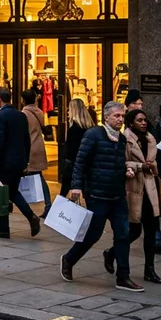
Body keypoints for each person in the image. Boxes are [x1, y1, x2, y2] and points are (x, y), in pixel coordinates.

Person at [61, 101, 143, 292]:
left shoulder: (121, 140)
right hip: (97, 195)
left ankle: (123, 276)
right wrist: (76, 187)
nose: (121, 119)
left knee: (123, 235)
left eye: (122, 116)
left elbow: (116, 163)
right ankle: (69, 259)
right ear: (106, 117)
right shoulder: (93, 135)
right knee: (92, 235)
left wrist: (126, 171)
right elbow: (80, 162)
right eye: (117, 116)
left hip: (117, 196)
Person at [102, 109, 161, 283]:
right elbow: (121, 162)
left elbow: (153, 161)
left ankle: (149, 270)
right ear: (131, 123)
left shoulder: (150, 138)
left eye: (144, 120)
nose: (143, 123)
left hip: (150, 188)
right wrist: (139, 166)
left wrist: (152, 166)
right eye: (139, 120)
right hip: (133, 188)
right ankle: (111, 253)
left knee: (151, 230)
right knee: (134, 231)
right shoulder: (124, 139)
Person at [0, 89, 40, 239]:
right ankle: (12, 224)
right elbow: (26, 140)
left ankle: (7, 227)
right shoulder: (21, 116)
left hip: (5, 163)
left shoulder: (0, 117)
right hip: (18, 161)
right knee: (12, 192)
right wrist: (25, 160)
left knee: (3, 194)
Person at [20, 88, 52, 218]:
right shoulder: (39, 112)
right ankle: (48, 204)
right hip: (39, 146)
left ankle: (16, 202)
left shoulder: (24, 114)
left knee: (21, 176)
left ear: (23, 100)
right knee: (39, 176)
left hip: (29, 148)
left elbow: (23, 133)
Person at [60, 99, 94, 199]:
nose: (68, 111)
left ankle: (56, 212)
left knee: (64, 191)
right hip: (87, 165)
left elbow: (72, 149)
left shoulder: (74, 129)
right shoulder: (90, 127)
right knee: (87, 194)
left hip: (74, 164)